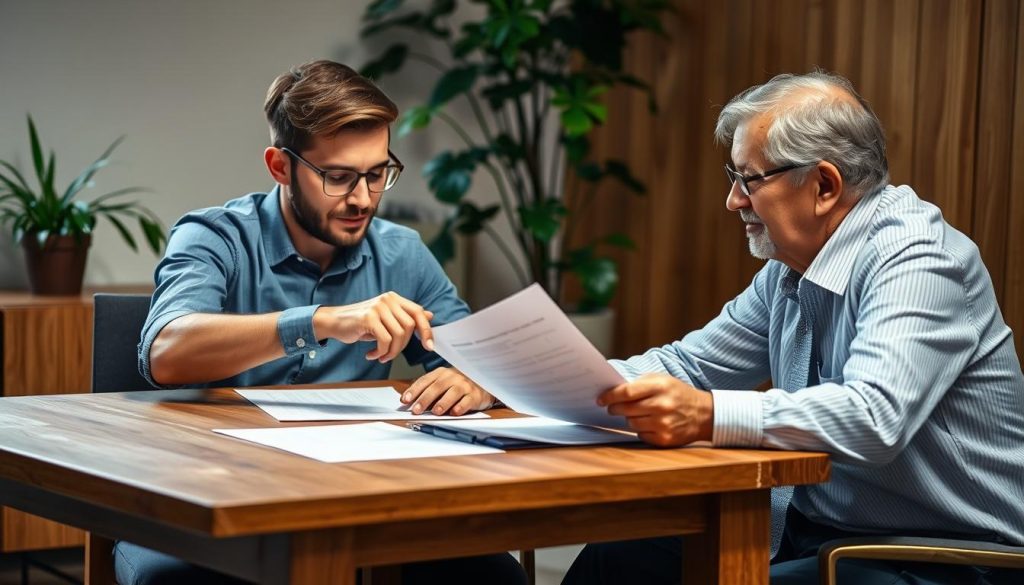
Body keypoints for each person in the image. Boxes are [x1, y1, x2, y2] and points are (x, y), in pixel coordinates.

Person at [564, 71, 1024, 585]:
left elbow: (875, 416)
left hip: (952, 556)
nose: (734, 200)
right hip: (826, 536)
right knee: (619, 554)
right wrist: (520, 381)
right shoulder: (790, 270)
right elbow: (688, 366)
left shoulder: (918, 258)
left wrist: (706, 414)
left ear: (824, 185)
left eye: (749, 179)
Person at [122, 60, 527, 585]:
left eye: (377, 173)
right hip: (211, 501)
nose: (362, 198)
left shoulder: (402, 254)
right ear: (280, 166)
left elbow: (485, 360)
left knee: (493, 579)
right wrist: (318, 322)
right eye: (337, 177)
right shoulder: (213, 237)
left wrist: (475, 378)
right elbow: (165, 353)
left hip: (360, 505)